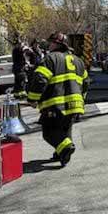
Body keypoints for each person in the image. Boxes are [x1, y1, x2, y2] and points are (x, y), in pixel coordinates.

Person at [27, 31, 89, 167]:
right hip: (75, 105)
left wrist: (32, 99)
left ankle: (65, 148)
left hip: (55, 105)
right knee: (64, 131)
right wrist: (82, 100)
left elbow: (40, 80)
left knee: (49, 132)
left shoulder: (50, 59)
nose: (49, 45)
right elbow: (85, 83)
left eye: (51, 43)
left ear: (57, 44)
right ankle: (61, 153)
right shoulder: (78, 61)